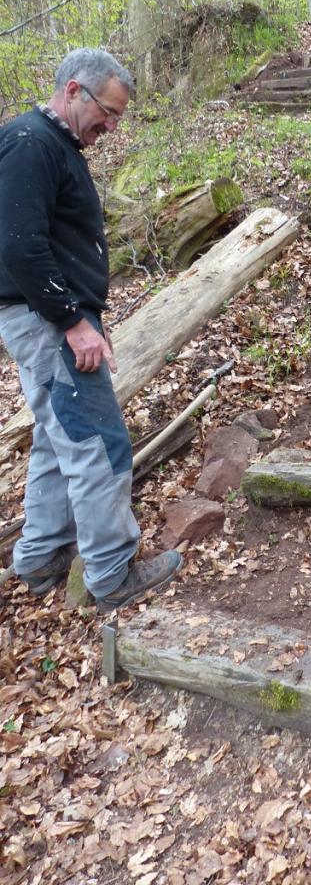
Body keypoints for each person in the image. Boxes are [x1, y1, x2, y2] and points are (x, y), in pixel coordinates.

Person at [0, 48, 182, 612]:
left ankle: (39, 556)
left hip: (42, 320)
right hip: (49, 323)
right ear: (74, 91)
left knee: (60, 442)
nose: (112, 125)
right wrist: (74, 323)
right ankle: (111, 572)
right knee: (99, 443)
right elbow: (19, 244)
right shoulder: (31, 144)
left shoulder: (51, 144)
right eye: (109, 111)